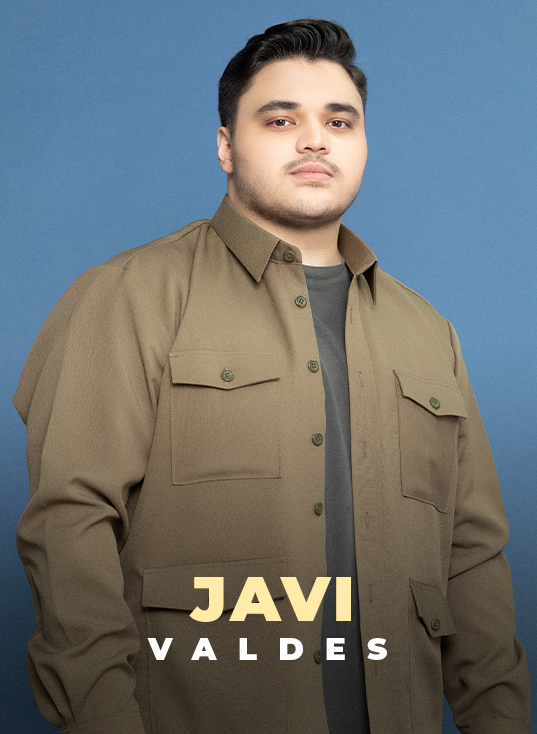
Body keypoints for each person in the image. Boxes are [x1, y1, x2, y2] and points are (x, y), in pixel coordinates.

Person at [14, 18, 531, 734]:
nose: (315, 140)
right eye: (281, 119)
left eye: (339, 122)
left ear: (363, 144)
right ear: (226, 146)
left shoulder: (427, 331)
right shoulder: (129, 295)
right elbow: (68, 526)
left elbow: (472, 557)